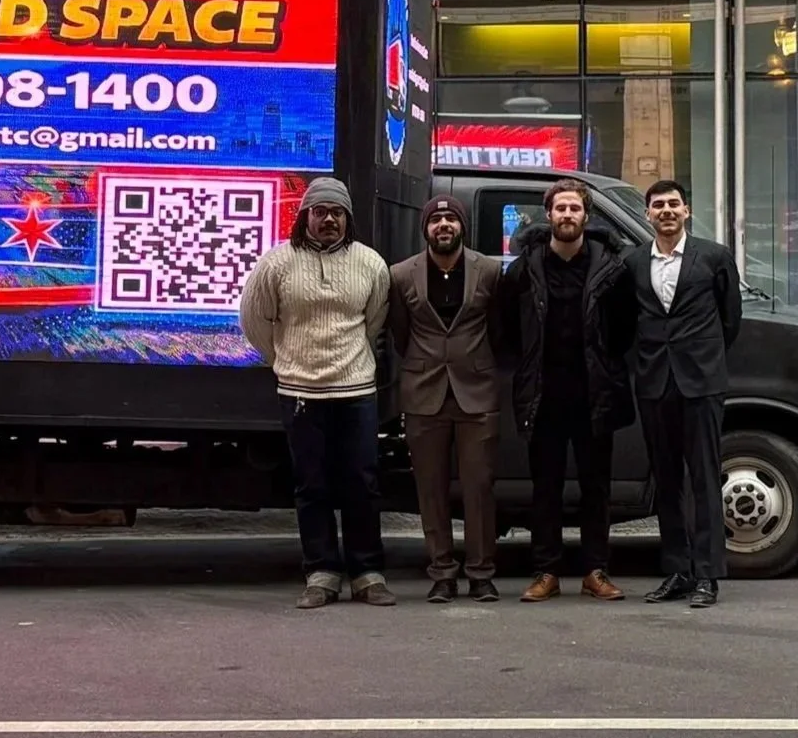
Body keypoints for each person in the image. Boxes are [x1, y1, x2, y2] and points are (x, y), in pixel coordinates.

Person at [238, 176, 396, 610]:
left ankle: (367, 573)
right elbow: (254, 319)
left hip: (357, 391)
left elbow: (374, 322)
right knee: (312, 485)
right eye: (320, 212)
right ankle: (321, 573)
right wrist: (285, 359)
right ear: (305, 216)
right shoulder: (276, 263)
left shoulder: (371, 264)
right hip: (300, 392)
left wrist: (351, 360)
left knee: (362, 483)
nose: (329, 220)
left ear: (348, 218)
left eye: (337, 213)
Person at [499, 178, 632, 603]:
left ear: (586, 216)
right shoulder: (524, 269)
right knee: (545, 488)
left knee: (596, 488)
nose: (568, 215)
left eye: (575, 208)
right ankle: (546, 572)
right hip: (544, 397)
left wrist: (606, 366)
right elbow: (505, 329)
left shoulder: (611, 269)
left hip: (595, 395)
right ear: (549, 215)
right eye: (561, 208)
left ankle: (596, 571)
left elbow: (625, 329)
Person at [621, 178, 741, 608]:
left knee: (705, 478)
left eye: (674, 204)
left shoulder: (714, 257)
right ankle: (678, 570)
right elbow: (626, 321)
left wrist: (703, 357)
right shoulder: (634, 262)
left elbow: (730, 320)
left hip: (701, 382)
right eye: (658, 205)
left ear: (687, 211)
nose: (667, 211)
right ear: (647, 214)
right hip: (655, 383)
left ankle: (708, 574)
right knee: (667, 480)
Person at [387, 194, 504, 603]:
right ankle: (442, 573)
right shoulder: (401, 275)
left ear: (462, 226)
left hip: (477, 392)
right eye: (436, 221)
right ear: (426, 229)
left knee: (479, 488)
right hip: (424, 393)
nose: (444, 226)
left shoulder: (489, 271)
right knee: (430, 489)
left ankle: (481, 573)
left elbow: (499, 329)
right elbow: (400, 334)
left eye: (451, 219)